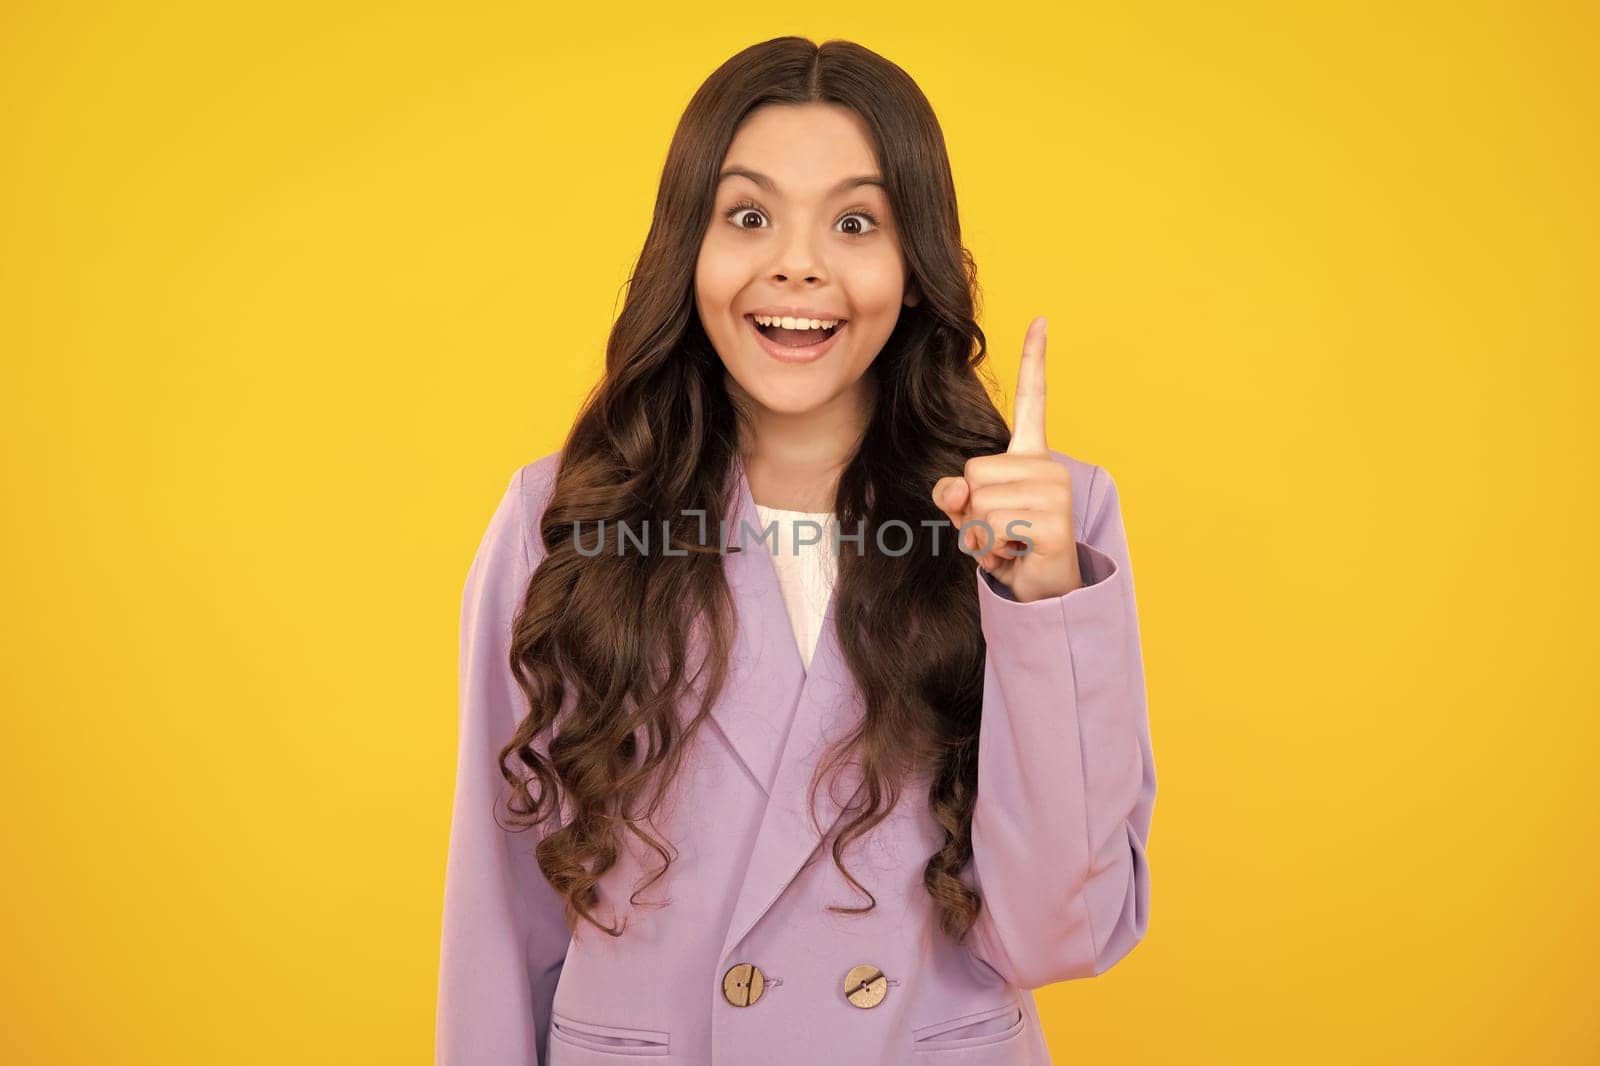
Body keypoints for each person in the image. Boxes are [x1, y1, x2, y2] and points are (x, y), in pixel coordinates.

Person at [436, 36, 1155, 1066]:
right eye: (748, 216)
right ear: (689, 251)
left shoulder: (1046, 520)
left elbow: (1061, 932)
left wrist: (1038, 598)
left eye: (856, 222)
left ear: (916, 271)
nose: (799, 263)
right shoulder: (562, 516)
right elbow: (498, 922)